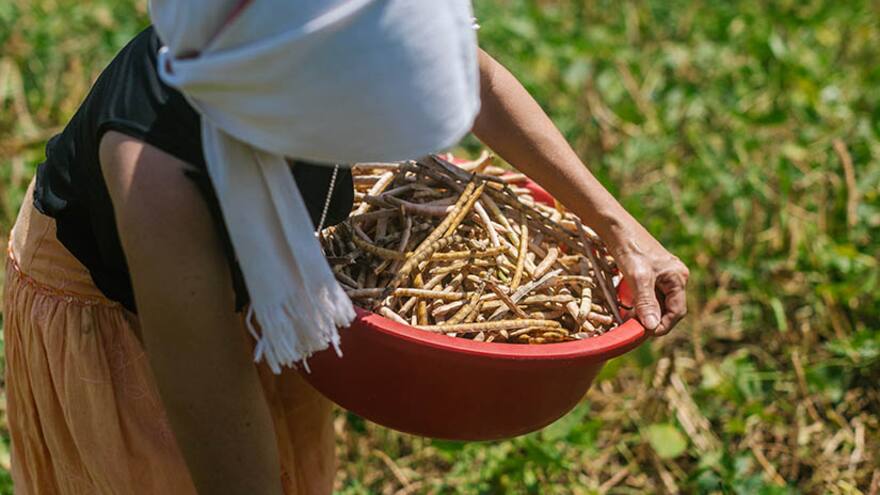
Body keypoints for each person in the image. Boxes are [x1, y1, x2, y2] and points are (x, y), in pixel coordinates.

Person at [3, 1, 689, 493]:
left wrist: (617, 225)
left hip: (262, 273)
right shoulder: (156, 174)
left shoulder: (325, 25)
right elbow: (233, 473)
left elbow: (471, 78)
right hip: (120, 323)